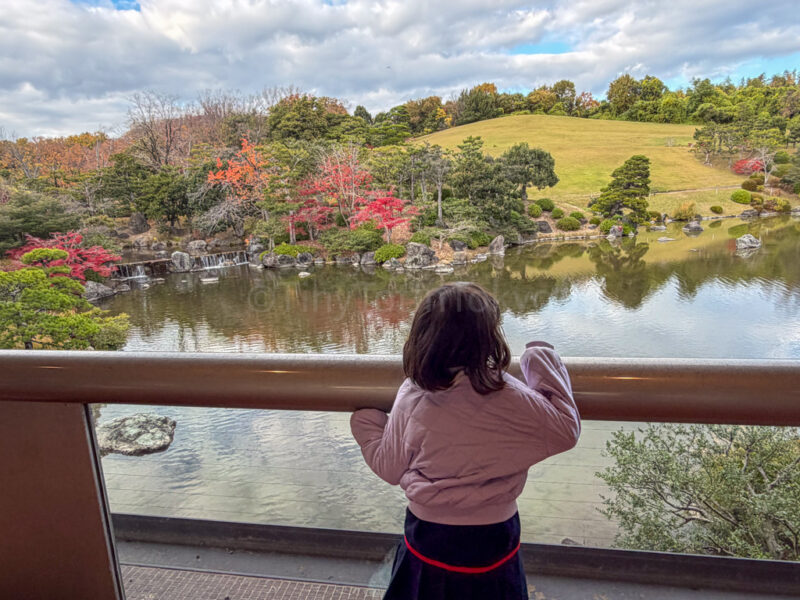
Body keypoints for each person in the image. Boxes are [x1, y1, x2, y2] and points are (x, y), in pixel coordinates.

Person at [350, 282, 581, 600]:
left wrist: (366, 423)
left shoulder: (415, 394)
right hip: (495, 535)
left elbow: (390, 469)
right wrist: (540, 358)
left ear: (422, 336)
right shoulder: (509, 393)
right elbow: (565, 431)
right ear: (489, 337)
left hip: (431, 536)